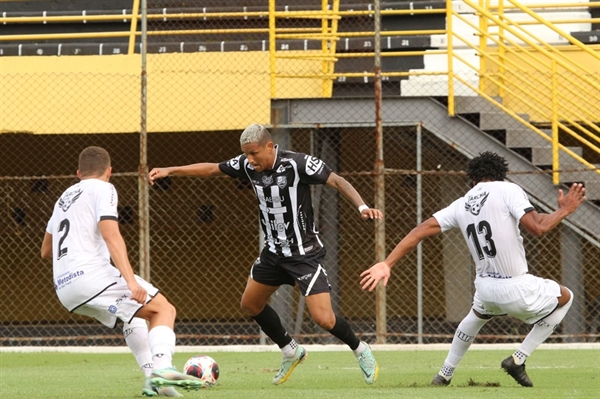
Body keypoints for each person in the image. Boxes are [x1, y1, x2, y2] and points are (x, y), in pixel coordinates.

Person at [148, 124, 383, 385]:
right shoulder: (248, 165)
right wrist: (171, 170)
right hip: (273, 254)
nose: (250, 160)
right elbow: (212, 168)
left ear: (270, 147)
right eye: (246, 155)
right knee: (250, 304)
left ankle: (360, 349)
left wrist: (362, 206)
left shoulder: (298, 164)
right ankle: (290, 350)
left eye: (254, 153)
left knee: (323, 319)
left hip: (303, 254)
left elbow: (336, 180)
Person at [359, 151, 587, 387]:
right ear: (502, 175)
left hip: (486, 288)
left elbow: (419, 231)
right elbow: (538, 227)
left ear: (473, 180)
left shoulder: (462, 203)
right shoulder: (508, 189)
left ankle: (444, 374)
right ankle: (518, 359)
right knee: (566, 297)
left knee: (476, 317)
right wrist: (564, 210)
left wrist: (387, 263)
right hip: (516, 288)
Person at [41, 146, 204, 397]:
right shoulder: (104, 188)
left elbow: (46, 251)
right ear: (109, 171)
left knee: (135, 315)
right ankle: (162, 371)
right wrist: (131, 282)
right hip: (91, 276)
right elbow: (111, 235)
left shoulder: (62, 198)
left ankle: (152, 375)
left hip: (65, 289)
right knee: (164, 309)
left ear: (78, 173)